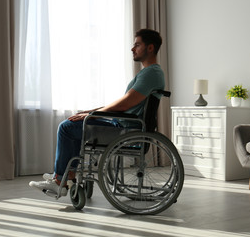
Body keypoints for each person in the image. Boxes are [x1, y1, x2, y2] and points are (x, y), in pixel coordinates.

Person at [29, 28, 165, 196]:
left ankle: (60, 179)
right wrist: (92, 111)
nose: (132, 48)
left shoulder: (151, 73)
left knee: (67, 127)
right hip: (125, 125)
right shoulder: (149, 73)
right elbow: (124, 103)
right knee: (75, 123)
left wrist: (92, 114)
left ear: (150, 48)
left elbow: (124, 105)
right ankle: (65, 174)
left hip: (125, 129)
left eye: (137, 44)